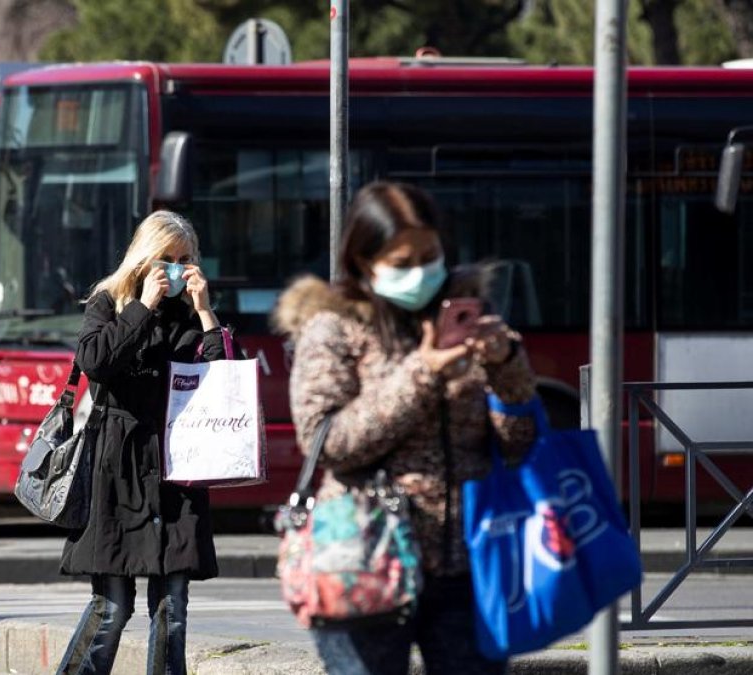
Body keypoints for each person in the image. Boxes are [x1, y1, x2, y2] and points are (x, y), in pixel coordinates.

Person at [273, 181, 538, 675]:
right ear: (363, 262)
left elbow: (518, 441)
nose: (420, 272)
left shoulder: (466, 314)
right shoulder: (333, 328)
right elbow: (328, 442)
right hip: (364, 557)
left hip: (467, 561)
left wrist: (506, 364)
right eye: (401, 263)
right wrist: (423, 372)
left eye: (429, 255)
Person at [56, 210, 229, 675]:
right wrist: (142, 306)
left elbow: (223, 380)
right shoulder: (109, 301)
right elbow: (94, 361)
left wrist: (206, 311)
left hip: (177, 467)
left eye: (184, 258)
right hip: (118, 467)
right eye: (165, 259)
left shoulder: (193, 313)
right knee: (111, 605)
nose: (174, 269)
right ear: (143, 259)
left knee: (172, 606)